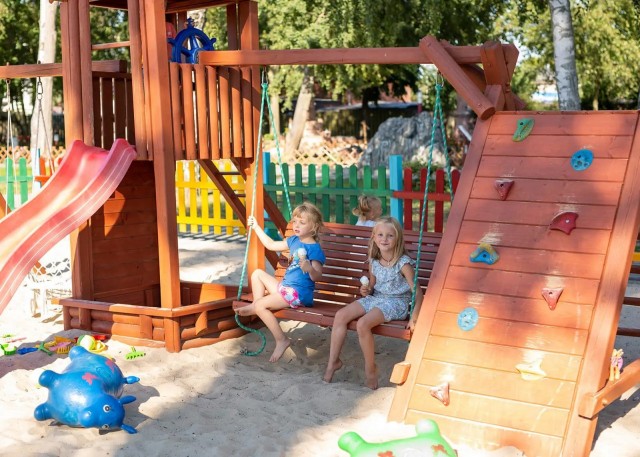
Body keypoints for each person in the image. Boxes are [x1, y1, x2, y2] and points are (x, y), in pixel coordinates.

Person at [323, 216, 423, 389]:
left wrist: (414, 317)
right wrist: (366, 289)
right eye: (380, 235)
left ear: (397, 239)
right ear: (374, 238)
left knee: (362, 324)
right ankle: (333, 362)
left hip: (396, 303)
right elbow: (372, 286)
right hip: (376, 298)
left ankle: (371, 370)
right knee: (340, 315)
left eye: (390, 235)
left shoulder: (403, 264)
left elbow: (418, 292)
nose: (384, 239)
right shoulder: (374, 261)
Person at [235, 202, 326, 362]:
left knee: (261, 305)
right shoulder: (294, 240)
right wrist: (256, 227)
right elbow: (271, 245)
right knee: (257, 274)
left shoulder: (315, 249)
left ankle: (282, 340)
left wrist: (309, 268)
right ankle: (257, 305)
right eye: (295, 221)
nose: (296, 225)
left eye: (302, 222)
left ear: (314, 227)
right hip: (285, 288)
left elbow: (316, 277)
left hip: (298, 293)